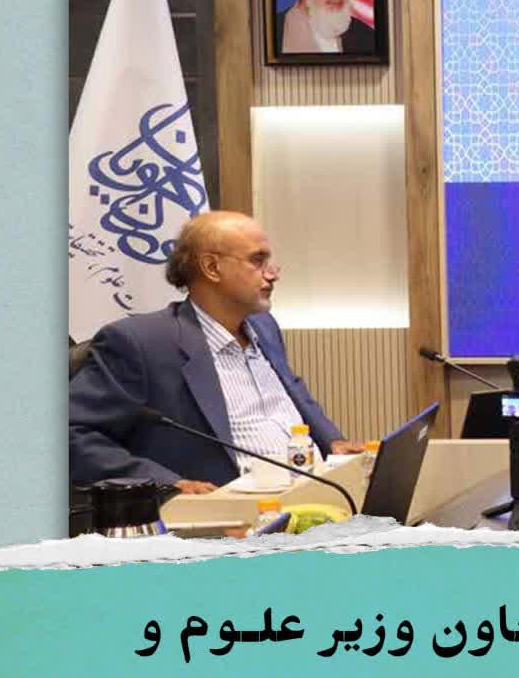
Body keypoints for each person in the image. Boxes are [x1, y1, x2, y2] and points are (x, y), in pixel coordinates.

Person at [70, 211, 364, 493]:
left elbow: (292, 393)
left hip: (315, 491)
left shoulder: (264, 326)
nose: (272, 274)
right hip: (232, 511)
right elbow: (72, 433)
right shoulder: (140, 342)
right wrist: (167, 484)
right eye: (257, 261)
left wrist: (332, 443)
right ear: (211, 268)